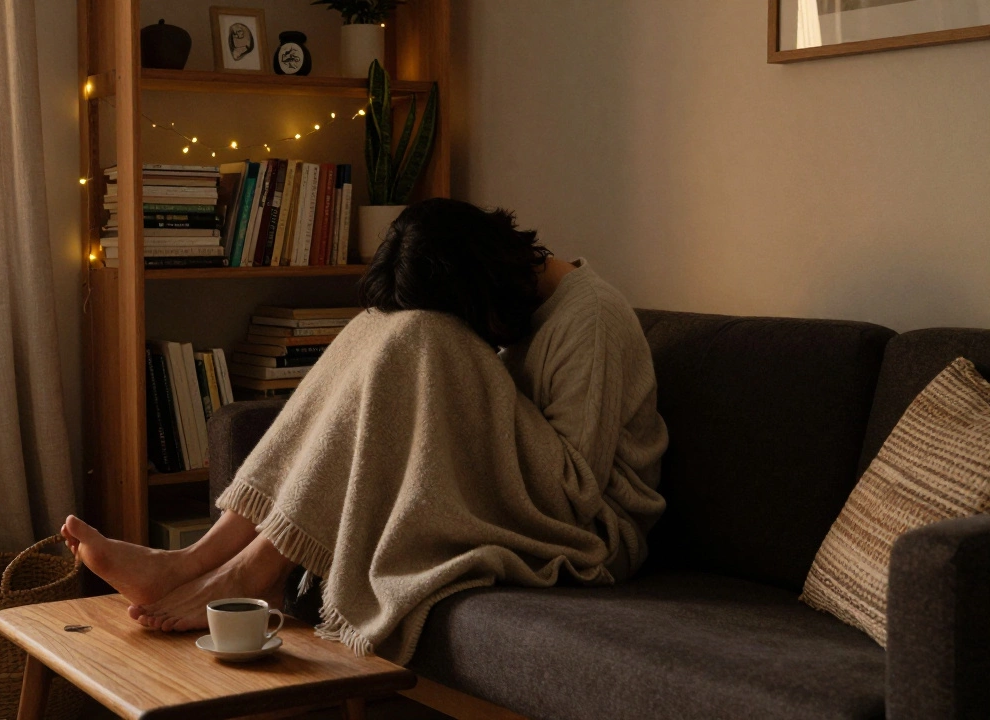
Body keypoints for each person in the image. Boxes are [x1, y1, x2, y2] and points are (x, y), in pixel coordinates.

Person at [62, 198, 667, 662]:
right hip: (523, 492)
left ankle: (253, 572)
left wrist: (453, 365)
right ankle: (198, 557)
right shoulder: (505, 308)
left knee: (417, 339)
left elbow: (577, 491)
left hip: (587, 528)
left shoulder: (590, 320)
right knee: (379, 328)